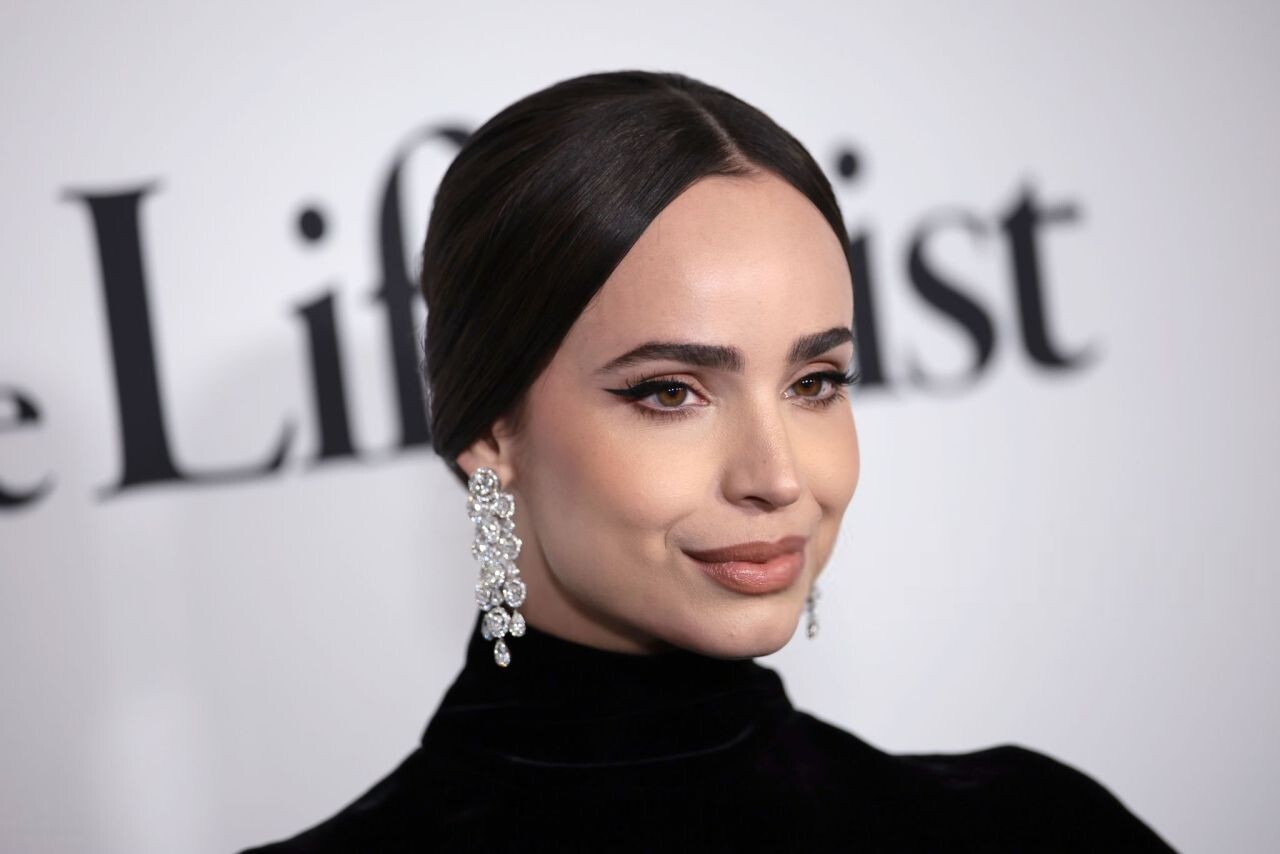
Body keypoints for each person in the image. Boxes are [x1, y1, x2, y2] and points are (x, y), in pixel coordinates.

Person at [239, 70, 1175, 852]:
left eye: (814, 382)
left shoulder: (1032, 830)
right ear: (491, 431)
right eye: (669, 392)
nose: (776, 477)